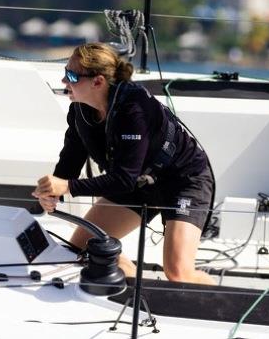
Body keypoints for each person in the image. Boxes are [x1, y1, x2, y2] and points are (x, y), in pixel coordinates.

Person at [33, 43, 215, 285]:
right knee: (85, 250)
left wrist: (66, 187)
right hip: (137, 182)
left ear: (97, 82)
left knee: (178, 272)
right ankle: (138, 300)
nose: (64, 81)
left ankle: (227, 308)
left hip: (182, 180)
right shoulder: (79, 109)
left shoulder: (134, 108)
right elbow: (71, 157)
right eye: (66, 73)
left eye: (72, 76)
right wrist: (52, 192)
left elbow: (123, 179)